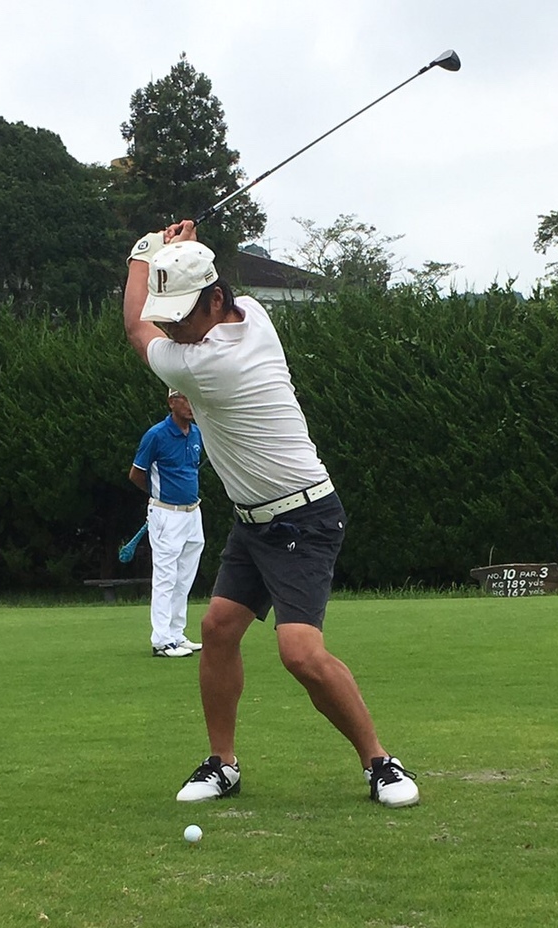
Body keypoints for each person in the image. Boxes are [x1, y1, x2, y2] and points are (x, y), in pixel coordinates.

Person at [122, 220, 419, 809]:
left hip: (305, 516)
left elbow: (135, 324)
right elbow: (164, 312)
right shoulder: (254, 313)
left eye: (182, 316)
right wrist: (178, 252)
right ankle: (223, 764)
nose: (174, 328)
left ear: (215, 300)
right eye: (170, 317)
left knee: (300, 653)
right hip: (253, 520)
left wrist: (143, 252)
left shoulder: (204, 365)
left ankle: (380, 762)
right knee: (217, 630)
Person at [128, 388, 205, 658]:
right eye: (185, 398)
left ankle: (176, 634)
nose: (191, 405)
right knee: (165, 577)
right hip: (166, 514)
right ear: (172, 402)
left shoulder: (196, 433)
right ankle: (161, 640)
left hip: (193, 512)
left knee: (184, 577)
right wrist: (159, 496)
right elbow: (136, 473)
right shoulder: (156, 435)